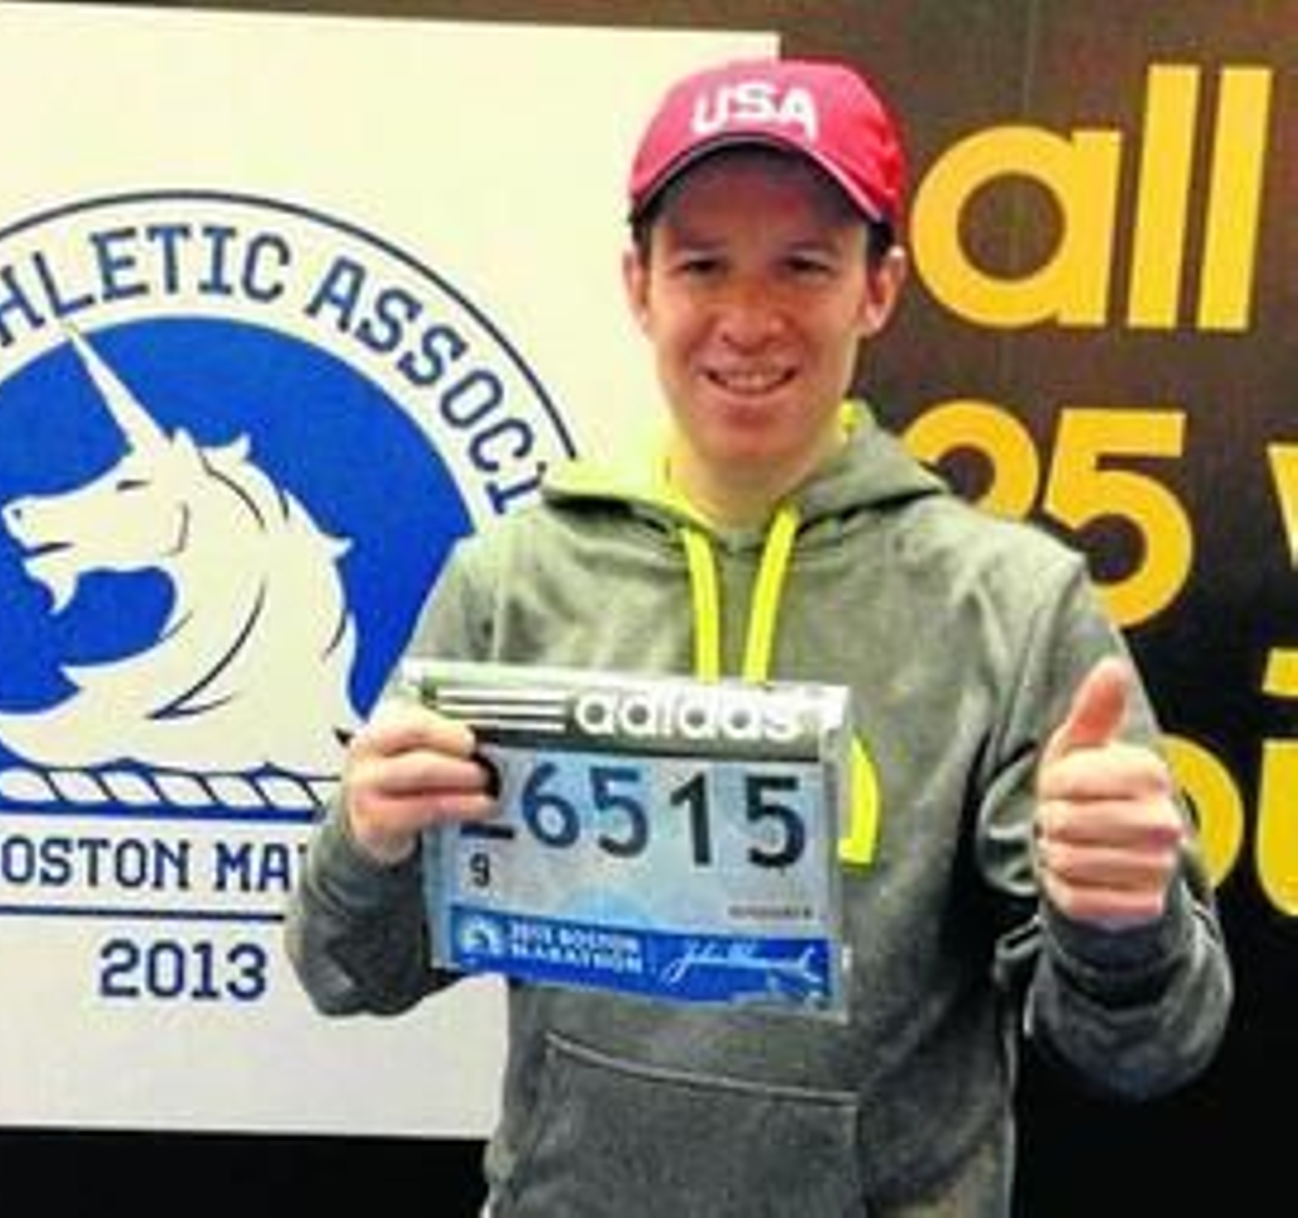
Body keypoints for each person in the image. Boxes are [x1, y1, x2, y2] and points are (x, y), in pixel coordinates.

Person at [285, 54, 1233, 1215]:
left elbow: (1146, 1049)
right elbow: (345, 972)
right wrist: (368, 844)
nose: (746, 319)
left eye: (802, 265)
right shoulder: (509, 582)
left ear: (876, 287)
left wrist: (1120, 923)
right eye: (702, 265)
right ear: (638, 285)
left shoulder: (1014, 607)